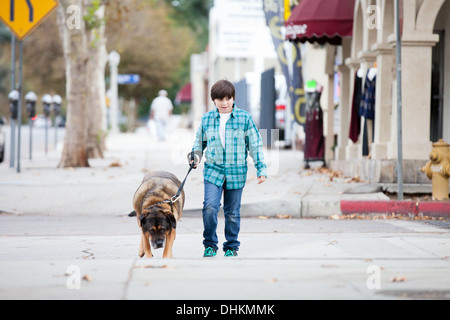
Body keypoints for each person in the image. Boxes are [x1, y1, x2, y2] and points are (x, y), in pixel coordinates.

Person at [188, 80, 267, 257]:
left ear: (233, 98)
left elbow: (254, 144)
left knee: (232, 212)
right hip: (213, 171)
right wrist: (196, 156)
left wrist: (261, 168)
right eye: (220, 99)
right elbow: (199, 142)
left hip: (236, 172)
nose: (224, 103)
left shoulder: (244, 118)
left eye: (228, 98)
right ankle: (210, 245)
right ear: (213, 100)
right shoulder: (207, 119)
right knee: (210, 207)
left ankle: (231, 246)